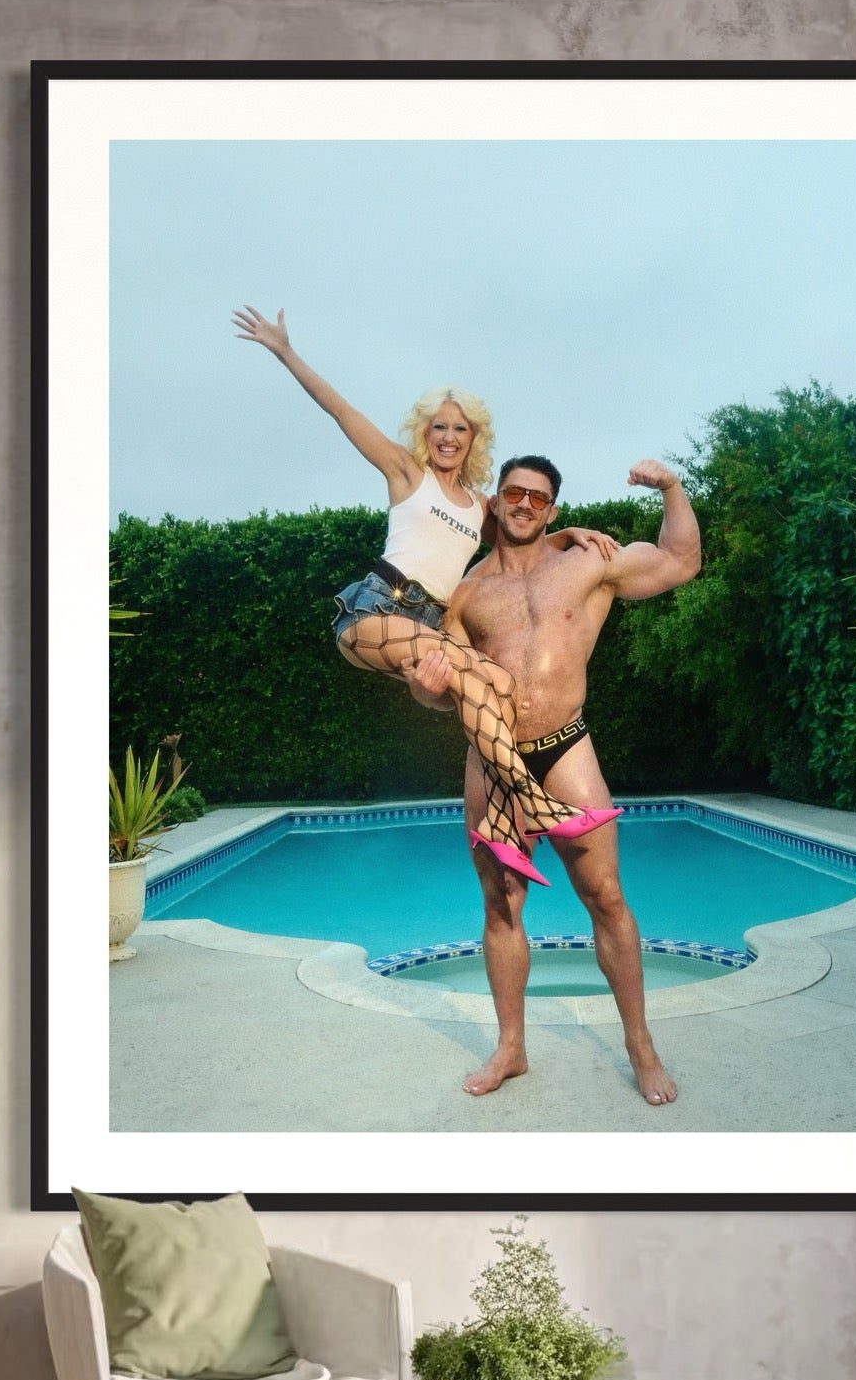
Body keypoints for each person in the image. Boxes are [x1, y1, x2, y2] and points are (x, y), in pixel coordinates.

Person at [231, 307, 621, 872]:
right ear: (424, 432)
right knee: (479, 677)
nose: (448, 436)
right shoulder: (405, 474)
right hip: (376, 609)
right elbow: (342, 411)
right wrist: (285, 351)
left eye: (459, 428)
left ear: (473, 438)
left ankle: (497, 821)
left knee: (498, 685)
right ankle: (532, 802)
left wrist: (564, 534)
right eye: (438, 426)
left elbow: (518, 535)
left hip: (429, 623)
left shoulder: (478, 503)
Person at [411, 452, 702, 1107]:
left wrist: (673, 488)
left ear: (553, 510)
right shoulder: (463, 594)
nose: (523, 505)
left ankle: (640, 1046)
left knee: (604, 896)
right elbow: (442, 689)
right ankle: (511, 1048)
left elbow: (681, 561)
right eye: (513, 493)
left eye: (538, 499)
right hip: (490, 760)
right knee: (501, 904)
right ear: (496, 501)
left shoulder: (587, 561)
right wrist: (426, 690)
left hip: (565, 749)